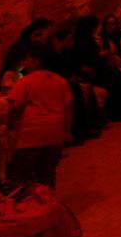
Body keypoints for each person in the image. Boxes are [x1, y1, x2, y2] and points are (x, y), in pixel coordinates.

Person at [6, 47, 72, 188]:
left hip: (30, 135)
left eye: (28, 59)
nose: (25, 62)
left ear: (36, 62)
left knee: (20, 177)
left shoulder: (25, 82)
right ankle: (48, 205)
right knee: (47, 174)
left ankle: (23, 207)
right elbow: (68, 108)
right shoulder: (60, 81)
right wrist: (67, 130)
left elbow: (15, 107)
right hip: (55, 134)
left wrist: (11, 127)